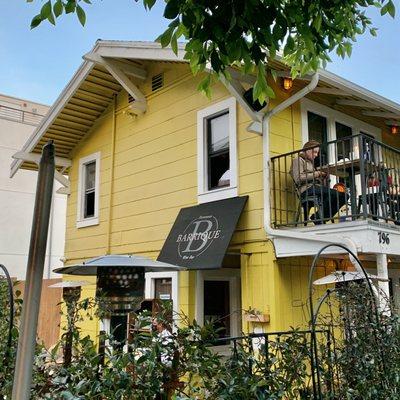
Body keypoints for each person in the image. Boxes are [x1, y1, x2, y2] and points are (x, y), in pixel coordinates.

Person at [290, 140, 347, 223]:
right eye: (315, 152)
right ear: (307, 150)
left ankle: (319, 217)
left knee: (343, 196)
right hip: (305, 190)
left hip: (314, 188)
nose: (316, 155)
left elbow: (313, 177)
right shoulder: (298, 160)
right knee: (335, 194)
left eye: (317, 153)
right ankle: (318, 218)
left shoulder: (310, 163)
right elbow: (298, 178)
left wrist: (322, 177)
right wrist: (317, 174)